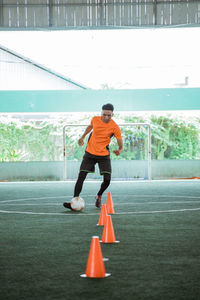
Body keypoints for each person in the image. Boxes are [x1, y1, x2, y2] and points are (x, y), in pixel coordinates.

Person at [63, 103, 123, 210]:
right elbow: (90, 127)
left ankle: (99, 195)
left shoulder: (115, 127)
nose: (106, 117)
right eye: (104, 114)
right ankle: (74, 201)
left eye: (109, 115)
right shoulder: (95, 119)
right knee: (81, 176)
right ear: (101, 113)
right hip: (90, 153)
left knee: (107, 179)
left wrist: (120, 149)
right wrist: (82, 137)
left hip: (104, 155)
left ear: (112, 114)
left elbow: (119, 140)